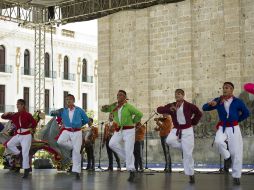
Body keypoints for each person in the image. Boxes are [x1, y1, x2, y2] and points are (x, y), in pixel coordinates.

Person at [202, 82, 249, 185]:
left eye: (227, 88)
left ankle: (236, 176)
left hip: (234, 128)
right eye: (223, 88)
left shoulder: (238, 101)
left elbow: (246, 113)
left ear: (232, 90)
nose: (224, 89)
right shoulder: (218, 100)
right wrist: (211, 104)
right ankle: (227, 157)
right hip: (222, 127)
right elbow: (204, 108)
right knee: (218, 142)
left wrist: (236, 120)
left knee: (236, 152)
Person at [157, 89, 202, 184]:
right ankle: (184, 147)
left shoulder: (189, 106)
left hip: (188, 130)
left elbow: (199, 113)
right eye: (176, 94)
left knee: (188, 155)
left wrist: (193, 122)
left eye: (179, 94)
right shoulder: (172, 105)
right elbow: (159, 109)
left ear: (183, 95)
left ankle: (191, 174)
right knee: (169, 141)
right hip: (176, 129)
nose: (177, 95)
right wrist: (169, 109)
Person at [101, 90, 143, 182]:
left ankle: (131, 171)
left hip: (129, 130)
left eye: (121, 95)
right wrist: (104, 107)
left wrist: (134, 121)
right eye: (117, 95)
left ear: (125, 97)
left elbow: (140, 114)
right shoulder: (114, 106)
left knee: (129, 149)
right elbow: (104, 110)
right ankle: (128, 157)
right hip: (119, 130)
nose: (118, 96)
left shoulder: (129, 107)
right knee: (111, 144)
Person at [50, 94, 89, 179]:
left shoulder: (79, 110)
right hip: (67, 130)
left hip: (77, 132)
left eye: (70, 99)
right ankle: (72, 146)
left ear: (73, 100)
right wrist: (55, 112)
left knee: (76, 152)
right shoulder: (63, 111)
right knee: (59, 141)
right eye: (66, 99)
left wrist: (79, 125)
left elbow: (86, 120)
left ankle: (77, 172)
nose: (68, 101)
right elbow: (51, 114)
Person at [1, 99, 37, 178]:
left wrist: (30, 127)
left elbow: (34, 123)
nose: (17, 105)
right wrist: (6, 113)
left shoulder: (28, 115)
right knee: (9, 144)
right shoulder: (15, 115)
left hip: (26, 135)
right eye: (17, 104)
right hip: (18, 135)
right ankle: (18, 153)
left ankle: (26, 170)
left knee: (25, 153)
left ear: (23, 105)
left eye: (19, 104)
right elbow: (3, 117)